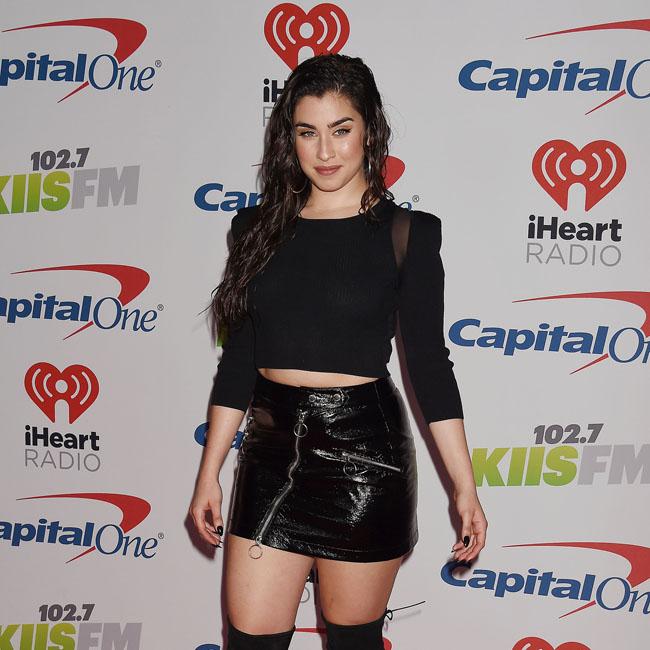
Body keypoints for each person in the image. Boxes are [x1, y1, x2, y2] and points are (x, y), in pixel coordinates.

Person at [189, 53, 487, 650]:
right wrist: (209, 473)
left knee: (353, 642)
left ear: (370, 130)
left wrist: (464, 487)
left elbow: (430, 366)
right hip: (271, 453)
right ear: (289, 139)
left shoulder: (408, 234)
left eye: (341, 129)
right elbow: (239, 359)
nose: (325, 151)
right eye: (308, 132)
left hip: (365, 458)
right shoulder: (255, 229)